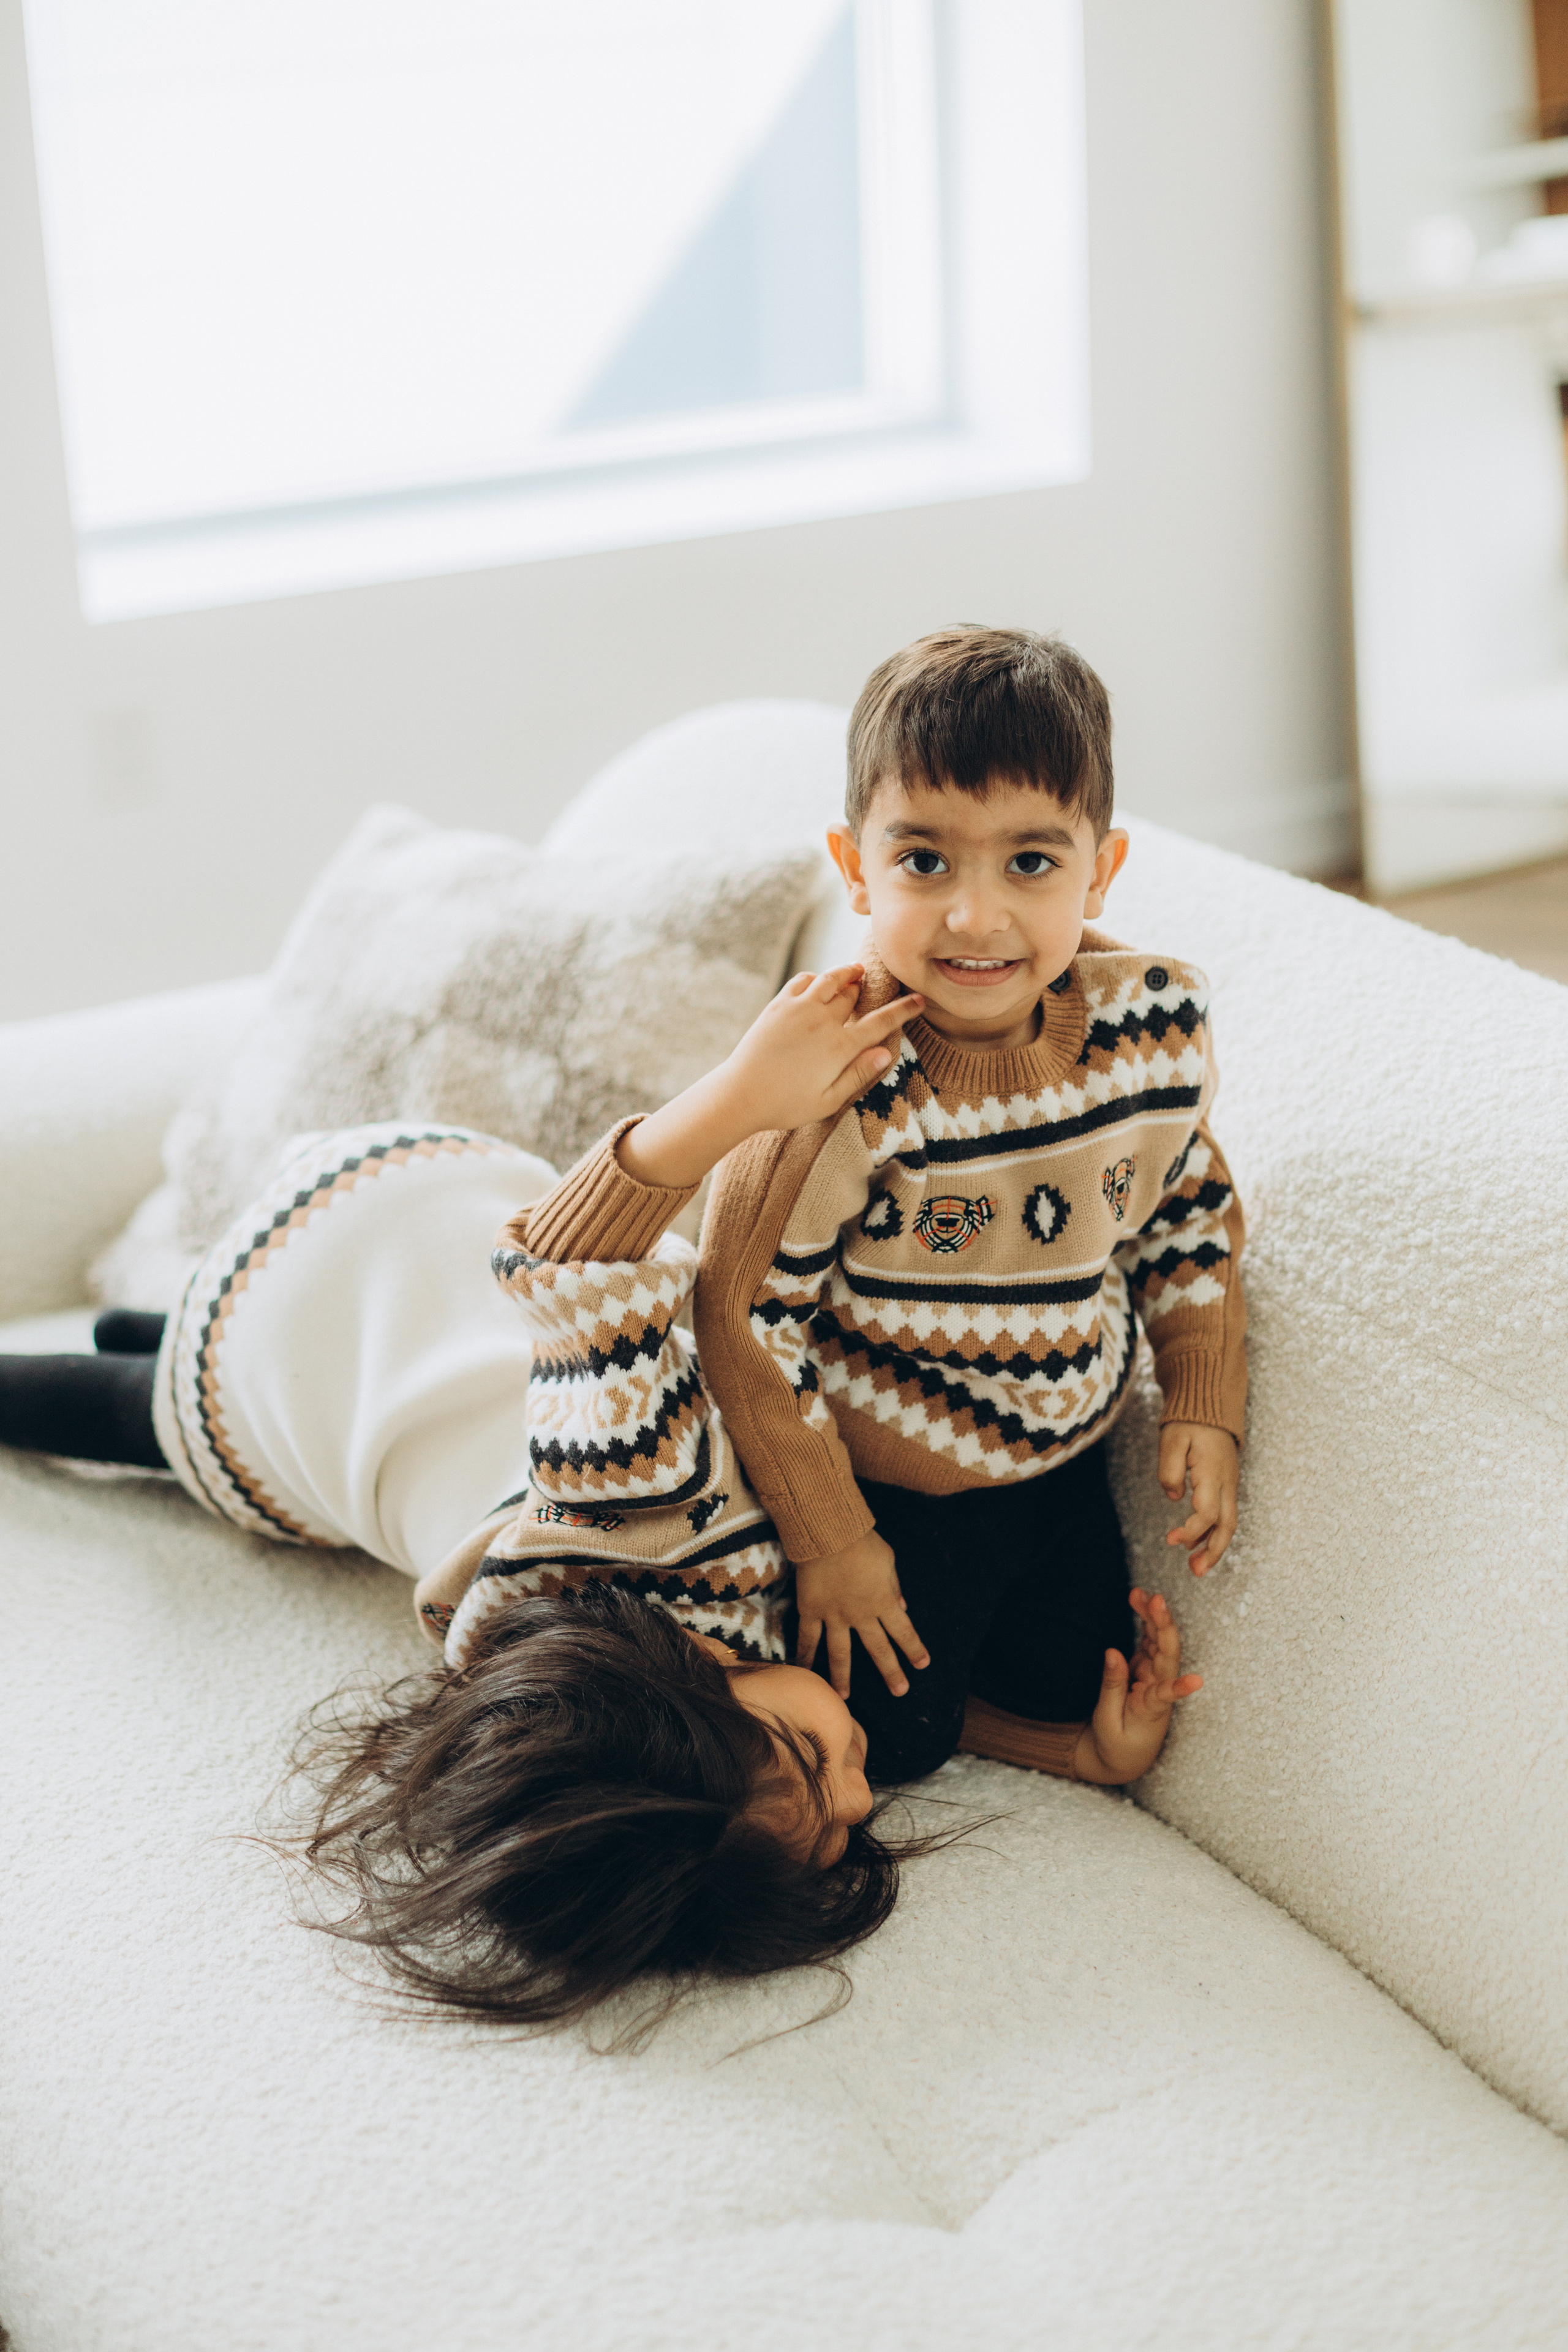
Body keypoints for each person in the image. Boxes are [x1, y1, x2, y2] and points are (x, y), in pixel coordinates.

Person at [682, 622, 1247, 1785]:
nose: (975, 918)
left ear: (1102, 868)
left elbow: (1188, 1210)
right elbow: (738, 1311)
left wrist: (1203, 1389)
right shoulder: (839, 1080)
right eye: (925, 862)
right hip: (891, 1487)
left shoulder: (1149, 1033)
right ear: (855, 867)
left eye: (1031, 864)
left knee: (1080, 1672)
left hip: (1063, 1456)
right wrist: (831, 1541)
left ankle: (1052, 1737)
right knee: (884, 1746)